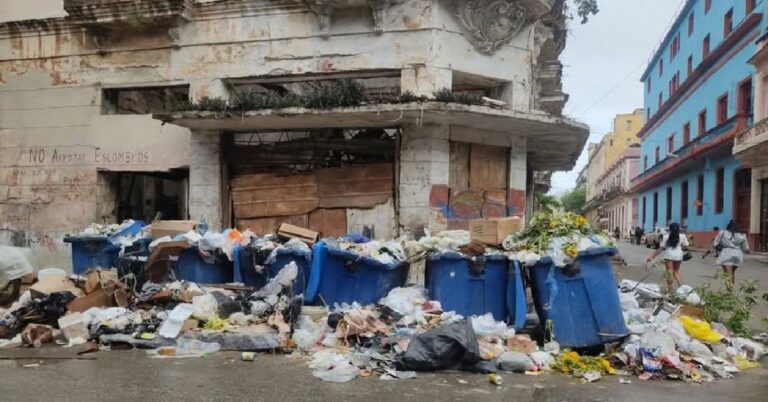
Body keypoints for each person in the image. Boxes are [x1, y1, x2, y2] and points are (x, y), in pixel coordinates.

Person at [647, 222, 689, 291]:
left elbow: (660, 249)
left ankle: (670, 289)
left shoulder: (666, 236)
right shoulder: (683, 236)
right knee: (675, 271)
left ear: (670, 229)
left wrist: (652, 257)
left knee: (669, 271)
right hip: (679, 255)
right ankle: (681, 287)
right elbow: (686, 247)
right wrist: (680, 246)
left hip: (669, 255)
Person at [713, 221, 750, 286]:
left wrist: (720, 248)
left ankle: (730, 292)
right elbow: (745, 248)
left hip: (726, 254)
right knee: (732, 273)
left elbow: (715, 243)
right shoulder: (742, 235)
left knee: (727, 275)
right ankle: (731, 290)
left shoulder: (723, 233)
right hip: (738, 255)